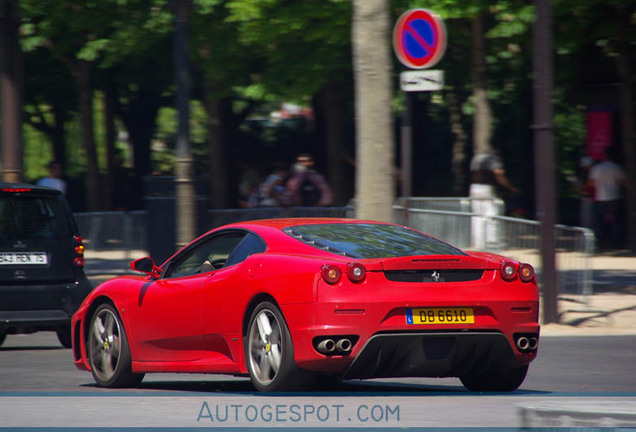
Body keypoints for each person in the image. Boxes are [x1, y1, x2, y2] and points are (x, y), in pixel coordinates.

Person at [469, 149, 520, 249]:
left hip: (474, 188)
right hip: (487, 188)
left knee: (477, 216)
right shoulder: (493, 158)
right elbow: (498, 173)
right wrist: (509, 187)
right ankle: (492, 242)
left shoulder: (477, 158)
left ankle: (478, 243)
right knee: (492, 214)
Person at [587, 147, 627, 250]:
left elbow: (591, 183)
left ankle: (600, 242)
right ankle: (617, 243)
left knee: (599, 221)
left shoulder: (596, 168)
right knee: (616, 221)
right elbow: (623, 182)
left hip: (600, 197)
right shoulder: (616, 167)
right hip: (614, 196)